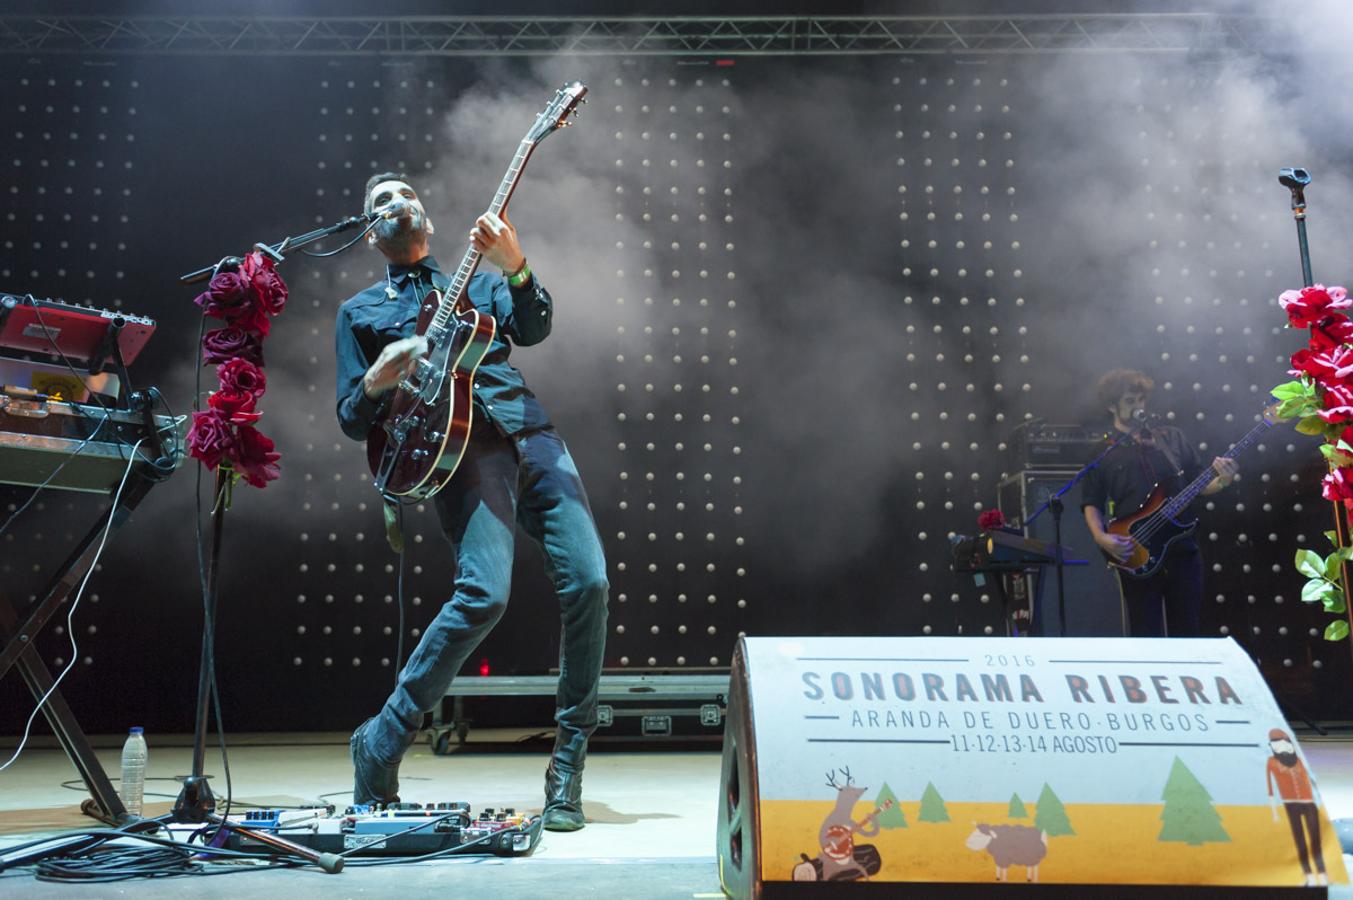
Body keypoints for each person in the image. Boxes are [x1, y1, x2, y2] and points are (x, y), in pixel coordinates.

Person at [334, 171, 609, 831]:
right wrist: (374, 381)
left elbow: (535, 326)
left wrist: (514, 264)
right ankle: (383, 737)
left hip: (526, 433)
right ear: (372, 234)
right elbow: (349, 416)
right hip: (455, 452)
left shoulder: (479, 281)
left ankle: (567, 766)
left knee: (590, 581)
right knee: (484, 594)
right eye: (381, 204)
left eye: (405, 195)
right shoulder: (361, 312)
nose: (396, 204)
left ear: (427, 220)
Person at [1080, 368, 1238, 637]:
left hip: (1182, 547)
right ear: (1111, 406)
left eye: (1141, 399)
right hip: (1135, 548)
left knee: (1187, 629)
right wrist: (1100, 537)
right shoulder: (1102, 452)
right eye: (1130, 401)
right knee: (1145, 631)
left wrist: (1222, 481)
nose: (1138, 406)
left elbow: (1198, 484)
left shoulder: (1171, 438)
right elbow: (1091, 501)